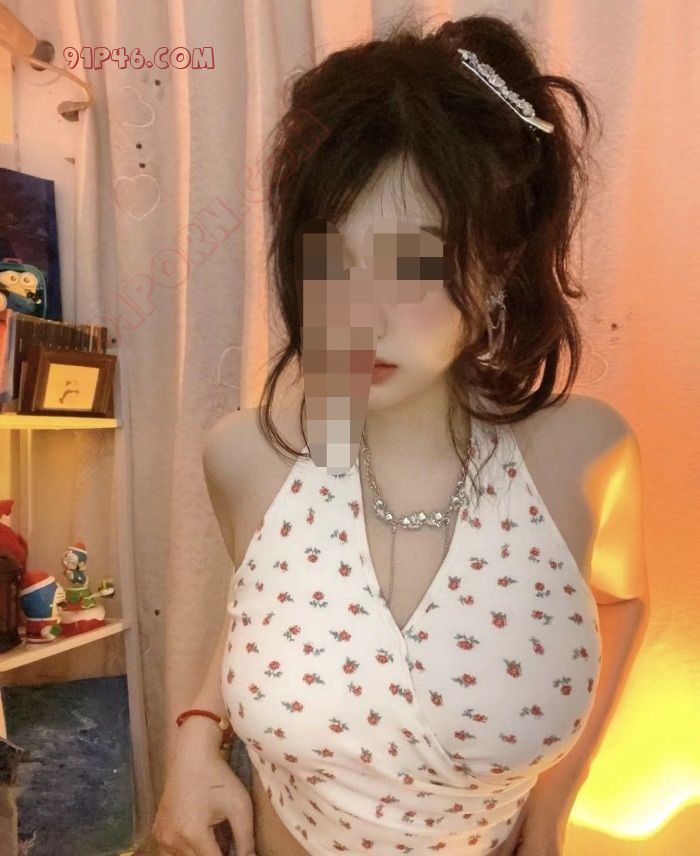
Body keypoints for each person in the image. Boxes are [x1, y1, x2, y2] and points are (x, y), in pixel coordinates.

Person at [153, 11, 638, 856]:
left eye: (412, 264)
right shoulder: (244, 457)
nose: (359, 318)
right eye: (332, 263)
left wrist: (556, 804)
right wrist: (197, 736)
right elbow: (265, 605)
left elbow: (623, 602)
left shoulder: (586, 455)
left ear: (498, 263)